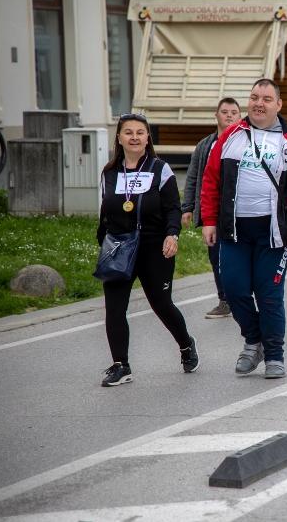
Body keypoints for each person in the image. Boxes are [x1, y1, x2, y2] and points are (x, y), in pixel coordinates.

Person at [200, 79, 287, 379]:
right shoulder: (230, 137)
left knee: (268, 295)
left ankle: (275, 355)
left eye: (266, 99)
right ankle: (254, 340)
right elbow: (211, 180)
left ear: (278, 105)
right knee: (234, 290)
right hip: (234, 231)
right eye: (254, 97)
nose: (259, 103)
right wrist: (209, 220)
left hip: (274, 233)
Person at [97, 113, 198, 387]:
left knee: (161, 304)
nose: (134, 137)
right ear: (119, 138)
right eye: (128, 132)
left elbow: (173, 208)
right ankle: (121, 365)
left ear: (147, 138)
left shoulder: (160, 169)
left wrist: (172, 235)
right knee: (114, 308)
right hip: (119, 246)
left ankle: (186, 344)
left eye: (140, 132)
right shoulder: (109, 173)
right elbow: (104, 213)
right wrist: (104, 243)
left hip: (154, 247)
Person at [181, 97, 242, 318]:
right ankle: (224, 301)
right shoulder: (205, 145)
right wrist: (188, 207)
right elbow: (192, 177)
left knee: (239, 258)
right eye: (224, 112)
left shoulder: (247, 142)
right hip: (212, 212)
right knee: (216, 257)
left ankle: (243, 298)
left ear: (240, 117)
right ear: (216, 115)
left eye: (233, 112)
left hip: (239, 212)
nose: (229, 116)